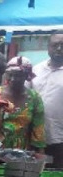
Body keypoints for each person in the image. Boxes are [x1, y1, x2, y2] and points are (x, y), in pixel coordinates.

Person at [0, 56, 46, 152]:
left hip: (24, 151)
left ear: (26, 76)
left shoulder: (34, 98)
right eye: (10, 74)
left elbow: (38, 130)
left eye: (18, 75)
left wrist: (40, 155)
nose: (13, 79)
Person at [33, 30, 63, 168]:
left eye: (62, 45)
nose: (59, 48)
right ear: (48, 47)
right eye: (55, 45)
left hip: (59, 139)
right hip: (32, 139)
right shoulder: (35, 70)